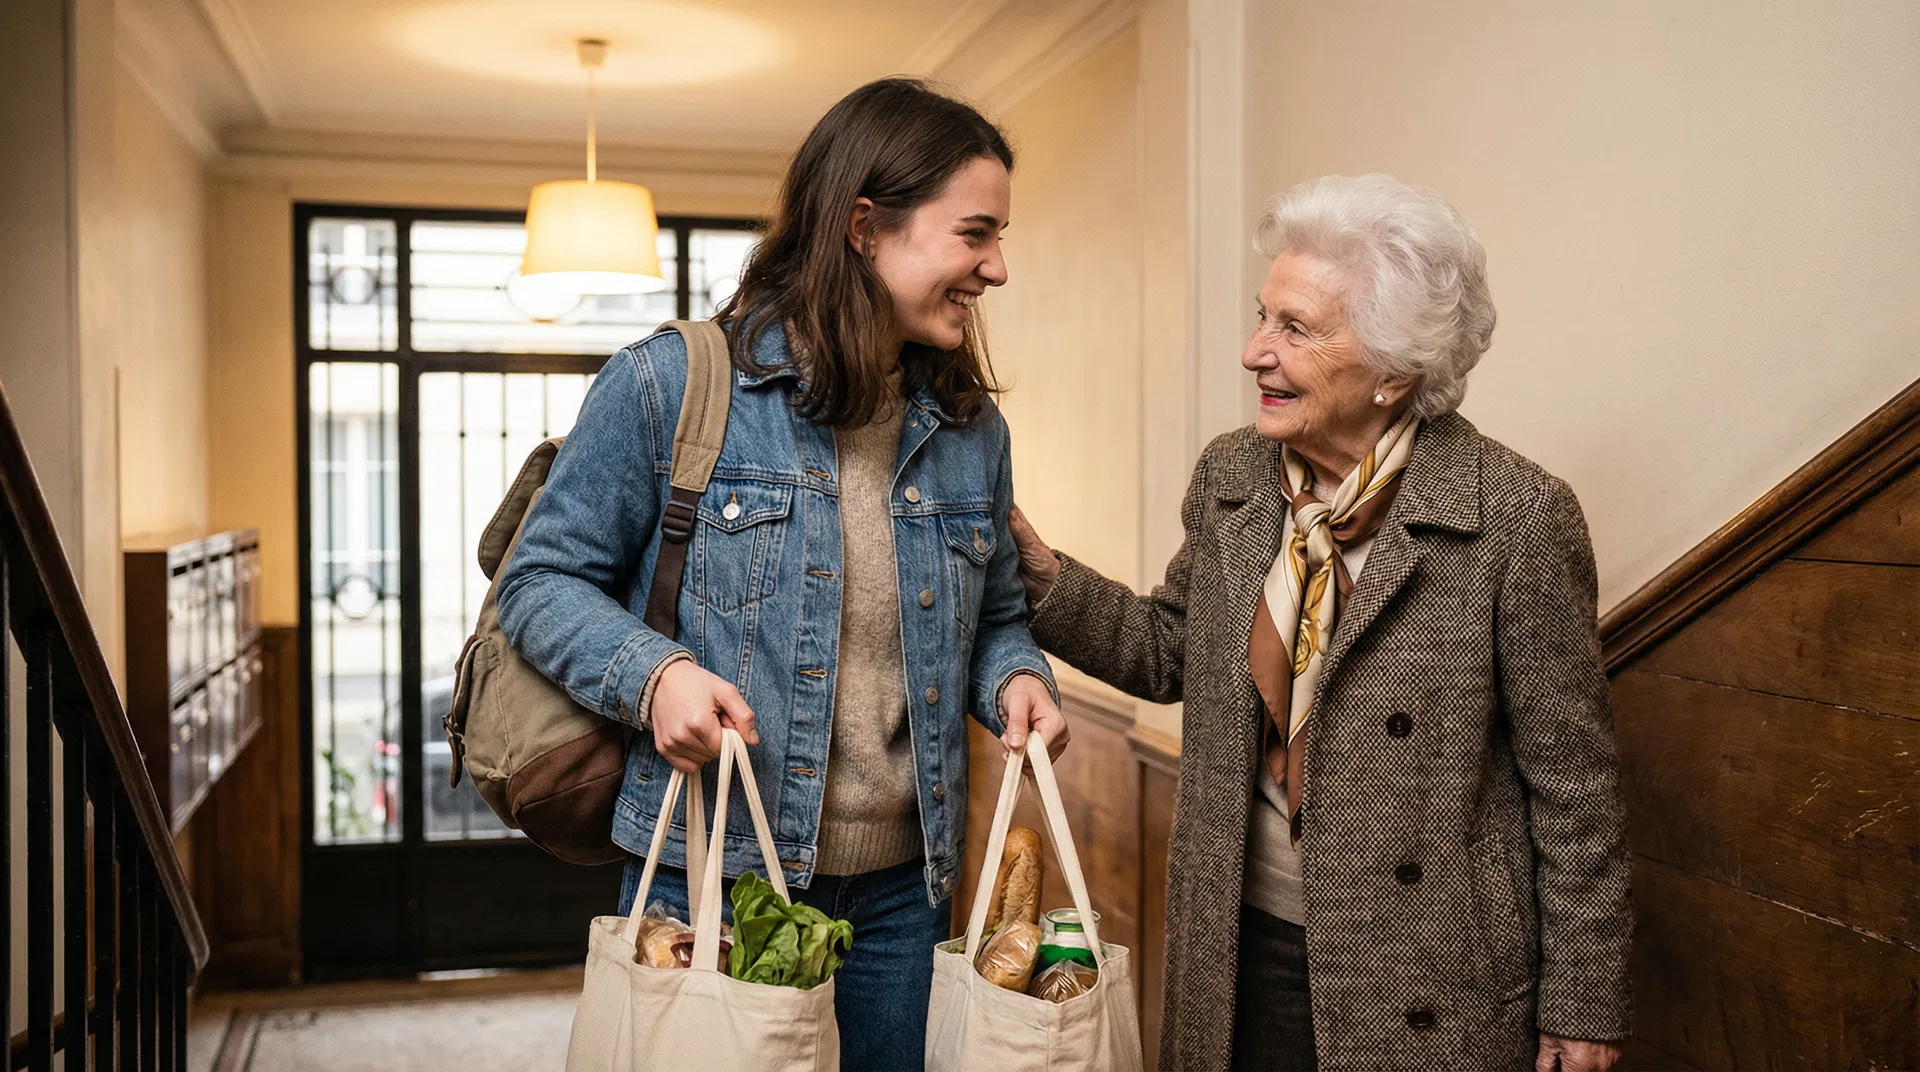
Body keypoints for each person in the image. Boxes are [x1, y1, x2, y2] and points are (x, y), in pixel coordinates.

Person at [496, 78, 1069, 1071]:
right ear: (863, 225)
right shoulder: (668, 385)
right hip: (712, 880)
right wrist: (655, 673)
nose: (998, 268)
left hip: (907, 892)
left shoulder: (974, 432)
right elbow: (537, 584)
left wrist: (1018, 677)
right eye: (975, 234)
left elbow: (998, 621)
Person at [1010, 174, 1631, 1071]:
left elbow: (1576, 788)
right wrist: (1046, 577)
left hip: (1428, 972)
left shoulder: (1518, 517)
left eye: (1294, 329)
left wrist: (1585, 1003)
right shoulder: (1235, 476)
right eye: (1264, 317)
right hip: (1239, 935)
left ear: (1395, 370)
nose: (1253, 352)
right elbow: (1171, 649)